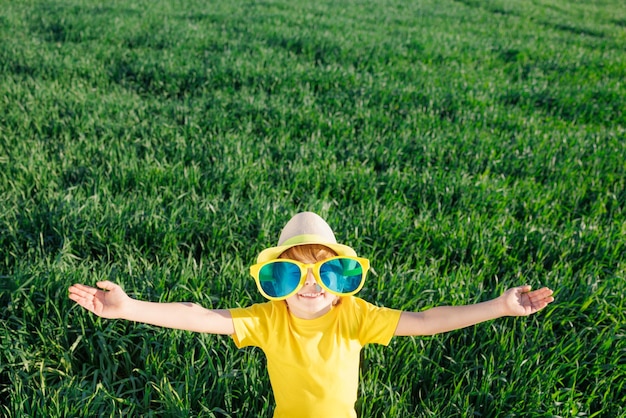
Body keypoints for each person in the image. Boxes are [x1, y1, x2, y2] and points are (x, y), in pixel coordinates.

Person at [68, 211, 554, 418]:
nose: (309, 285)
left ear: (342, 280)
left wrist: (499, 307)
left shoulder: (355, 316)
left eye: (324, 273)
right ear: (274, 284)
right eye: (292, 275)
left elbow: (426, 320)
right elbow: (200, 314)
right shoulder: (267, 320)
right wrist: (130, 308)